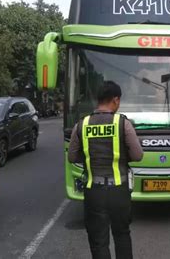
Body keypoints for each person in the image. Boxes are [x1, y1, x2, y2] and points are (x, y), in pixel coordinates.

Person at [68, 81, 144, 259]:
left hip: (94, 192)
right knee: (122, 235)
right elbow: (138, 154)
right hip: (119, 191)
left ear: (98, 100)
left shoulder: (82, 124)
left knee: (98, 241)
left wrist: (89, 156)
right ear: (115, 100)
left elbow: (72, 157)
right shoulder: (122, 123)